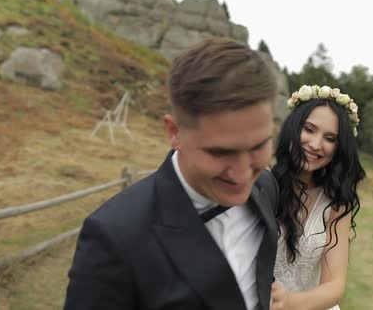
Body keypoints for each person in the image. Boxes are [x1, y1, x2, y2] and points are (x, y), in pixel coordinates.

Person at [63, 38, 282, 310]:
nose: (242, 175)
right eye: (219, 153)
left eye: (259, 146)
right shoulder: (113, 238)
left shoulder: (266, 187)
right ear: (174, 132)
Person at [269, 85, 366, 310]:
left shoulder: (337, 204)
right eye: (309, 129)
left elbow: (335, 285)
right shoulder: (261, 184)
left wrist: (292, 302)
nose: (315, 144)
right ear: (293, 128)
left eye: (330, 138)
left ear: (339, 148)